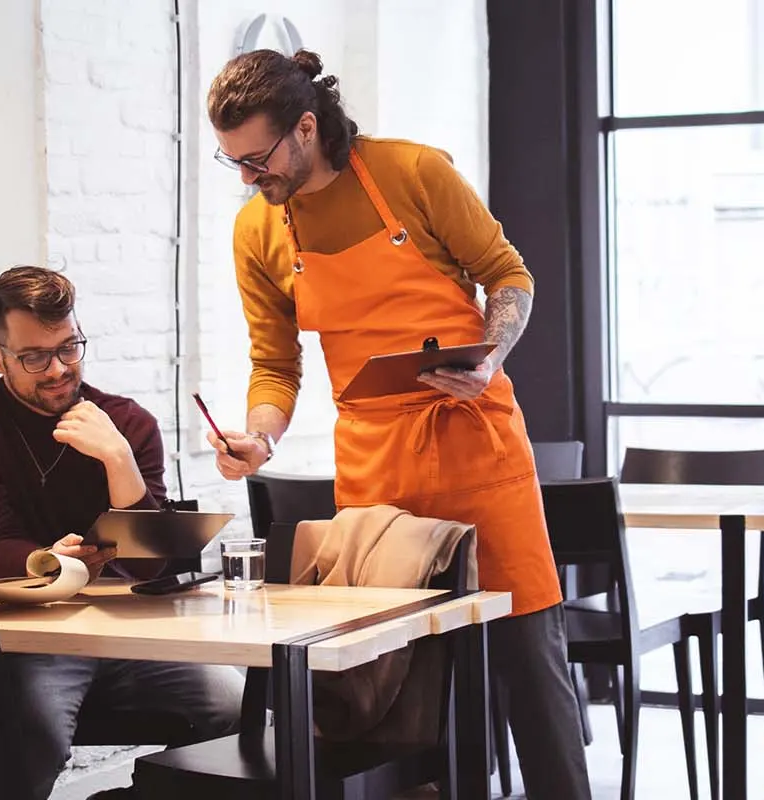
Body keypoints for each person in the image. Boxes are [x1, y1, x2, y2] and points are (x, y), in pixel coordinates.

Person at [205, 49, 593, 797]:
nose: (249, 179)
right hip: (376, 473)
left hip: (476, 444)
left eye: (257, 159)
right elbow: (275, 363)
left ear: (307, 128)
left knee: (530, 670)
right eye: (234, 165)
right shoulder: (259, 231)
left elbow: (509, 275)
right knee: (391, 690)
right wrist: (262, 435)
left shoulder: (413, 173)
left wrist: (489, 354)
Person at [0, 266, 243, 800]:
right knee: (36, 731)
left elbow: (151, 566)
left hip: (130, 633)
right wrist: (46, 562)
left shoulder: (127, 422)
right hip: (33, 636)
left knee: (236, 706)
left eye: (69, 347)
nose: (57, 370)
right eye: (34, 357)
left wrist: (118, 459)